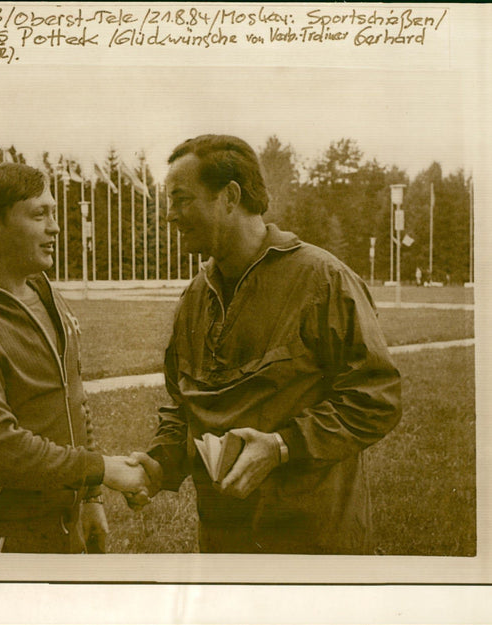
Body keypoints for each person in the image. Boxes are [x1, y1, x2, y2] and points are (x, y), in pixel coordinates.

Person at [128, 135, 402, 554]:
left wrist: (281, 447)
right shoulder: (194, 298)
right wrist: (161, 461)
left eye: (181, 200)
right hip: (224, 547)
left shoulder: (323, 279)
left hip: (312, 549)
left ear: (230, 196)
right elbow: (183, 405)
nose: (170, 216)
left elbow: (376, 398)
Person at [0, 163, 150, 554]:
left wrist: (90, 498)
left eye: (54, 213)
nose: (55, 227)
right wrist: (103, 470)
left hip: (63, 524)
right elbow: (0, 451)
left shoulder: (43, 293)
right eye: (40, 214)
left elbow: (73, 400)